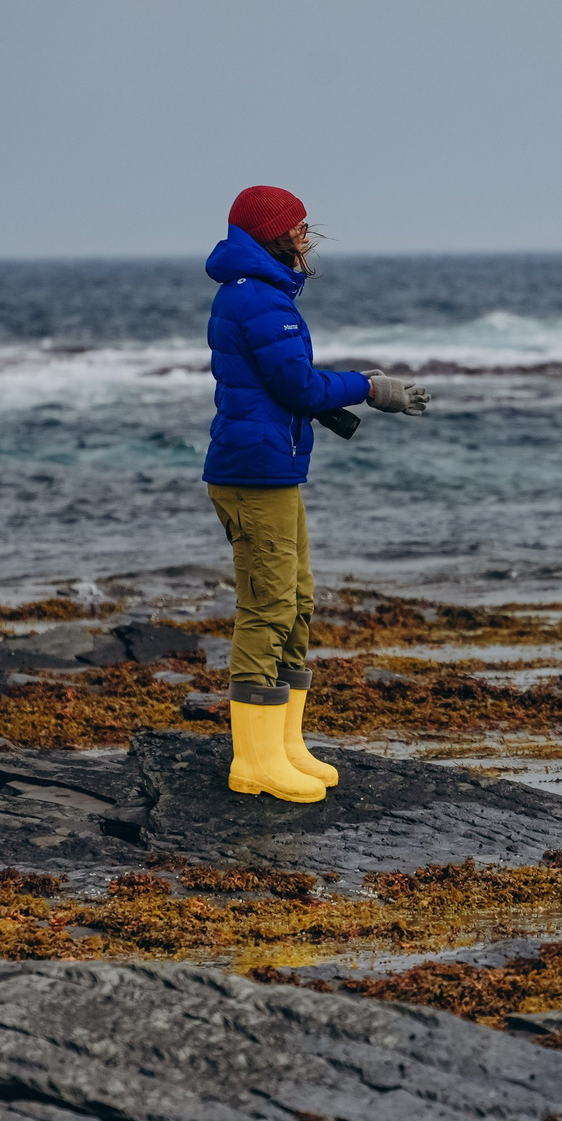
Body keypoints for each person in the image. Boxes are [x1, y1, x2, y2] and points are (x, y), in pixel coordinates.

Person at [203, 185, 430, 803]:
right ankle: (253, 762)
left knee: (297, 600)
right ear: (273, 237)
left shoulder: (257, 295)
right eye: (300, 231)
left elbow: (275, 386)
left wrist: (334, 401)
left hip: (271, 470)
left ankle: (284, 746)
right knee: (268, 609)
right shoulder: (261, 303)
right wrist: (370, 388)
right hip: (255, 476)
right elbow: (298, 387)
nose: (307, 241)